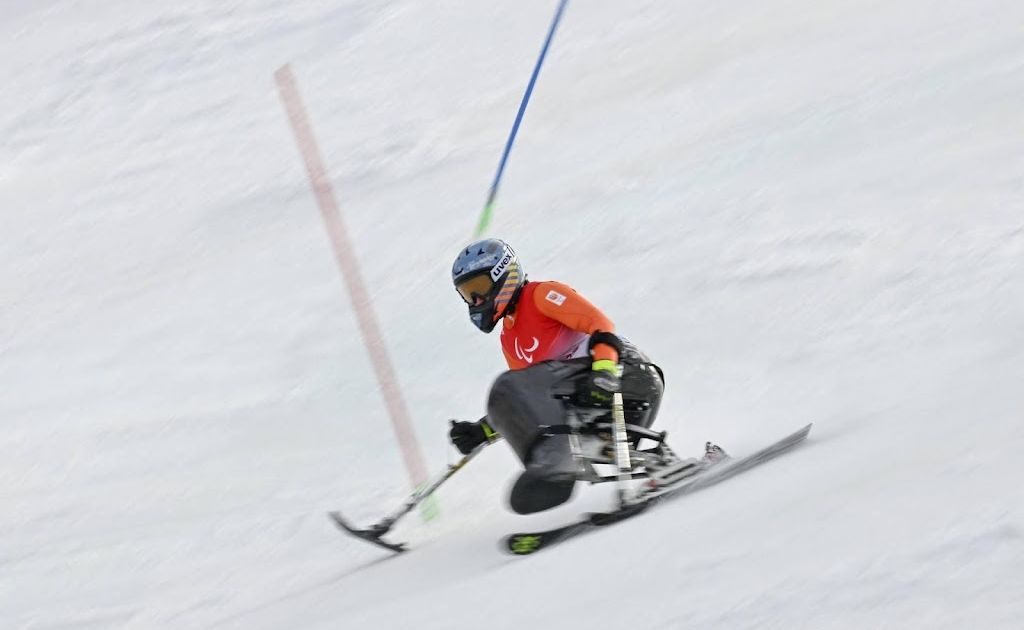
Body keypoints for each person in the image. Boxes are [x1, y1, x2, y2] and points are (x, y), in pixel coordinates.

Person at [448, 238, 666, 514]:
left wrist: (604, 374)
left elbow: (600, 325)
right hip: (586, 404)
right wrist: (482, 431)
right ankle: (553, 471)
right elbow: (527, 400)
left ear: (502, 274)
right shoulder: (509, 338)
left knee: (505, 386)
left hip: (628, 379)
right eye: (468, 294)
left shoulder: (541, 295)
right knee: (514, 393)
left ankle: (555, 467)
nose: (476, 301)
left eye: (478, 289)